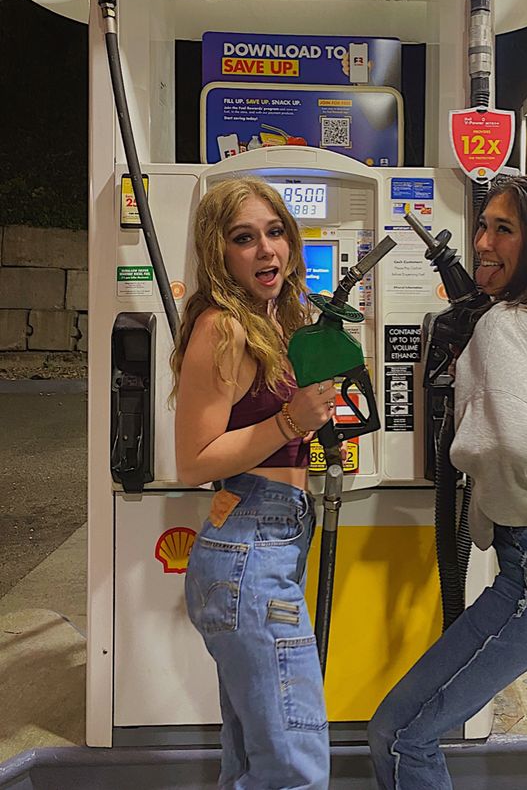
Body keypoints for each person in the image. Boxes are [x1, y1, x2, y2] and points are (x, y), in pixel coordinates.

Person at [368, 172, 527, 790]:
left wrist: (526, 501)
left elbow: (508, 440)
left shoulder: (502, 327)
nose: (483, 242)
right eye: (483, 226)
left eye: (503, 230)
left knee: (400, 734)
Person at [171, 177, 338, 790]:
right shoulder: (224, 327)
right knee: (294, 767)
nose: (266, 250)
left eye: (275, 233)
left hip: (269, 541)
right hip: (250, 548)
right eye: (245, 238)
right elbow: (194, 459)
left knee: (253, 761)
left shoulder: (273, 322)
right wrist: (291, 419)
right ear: (219, 252)